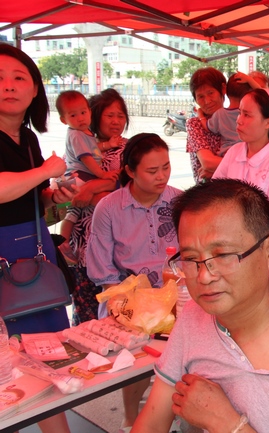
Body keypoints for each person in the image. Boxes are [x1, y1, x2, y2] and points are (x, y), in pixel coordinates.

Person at [131, 178, 269, 433]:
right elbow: (152, 421)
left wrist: (228, 424)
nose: (204, 276)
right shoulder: (195, 315)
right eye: (191, 259)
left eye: (223, 255)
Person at [0, 42, 74, 433]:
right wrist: (46, 170)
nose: (9, 86)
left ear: (34, 90)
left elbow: (25, 200)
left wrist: (51, 196)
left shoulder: (27, 139)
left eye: (18, 78)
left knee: (47, 352)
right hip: (3, 258)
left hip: (34, 251)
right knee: (5, 363)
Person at [86, 133, 182, 431]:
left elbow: (190, 253)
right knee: (139, 365)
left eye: (166, 167)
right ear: (129, 170)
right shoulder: (109, 208)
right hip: (127, 302)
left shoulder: (179, 201)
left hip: (175, 295)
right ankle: (131, 417)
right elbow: (103, 273)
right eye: (152, 171)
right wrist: (124, 303)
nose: (162, 176)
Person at [212, 88, 269, 270]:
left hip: (265, 251)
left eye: (247, 115)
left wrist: (248, 223)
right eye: (239, 113)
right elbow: (213, 192)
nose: (239, 120)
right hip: (231, 246)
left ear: (268, 122)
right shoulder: (234, 152)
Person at [66, 88, 130, 324]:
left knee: (117, 312)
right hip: (82, 243)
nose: (116, 122)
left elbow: (132, 189)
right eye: (109, 115)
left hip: (115, 243)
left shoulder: (129, 149)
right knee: (85, 312)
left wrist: (92, 188)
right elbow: (69, 182)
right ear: (95, 116)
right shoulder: (81, 144)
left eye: (120, 116)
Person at [55, 90, 119, 260]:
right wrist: (102, 174)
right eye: (73, 115)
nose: (80, 118)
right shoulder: (76, 134)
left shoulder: (83, 133)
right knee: (99, 200)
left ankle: (63, 242)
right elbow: (87, 157)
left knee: (73, 211)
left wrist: (108, 144)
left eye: (83, 113)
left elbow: (94, 149)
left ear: (89, 112)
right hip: (79, 175)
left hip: (81, 176)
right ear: (64, 119)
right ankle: (63, 242)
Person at [186, 67, 226, 183]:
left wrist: (217, 170)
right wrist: (241, 166)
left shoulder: (237, 118)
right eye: (201, 97)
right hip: (207, 194)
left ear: (223, 89)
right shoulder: (194, 124)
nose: (207, 101)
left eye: (210, 93)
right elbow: (208, 162)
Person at [202, 71, 255, 156]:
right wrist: (250, 81)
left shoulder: (219, 114)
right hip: (246, 151)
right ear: (248, 94)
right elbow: (267, 98)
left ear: (225, 90)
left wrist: (200, 115)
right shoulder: (250, 114)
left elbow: (207, 127)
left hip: (226, 153)